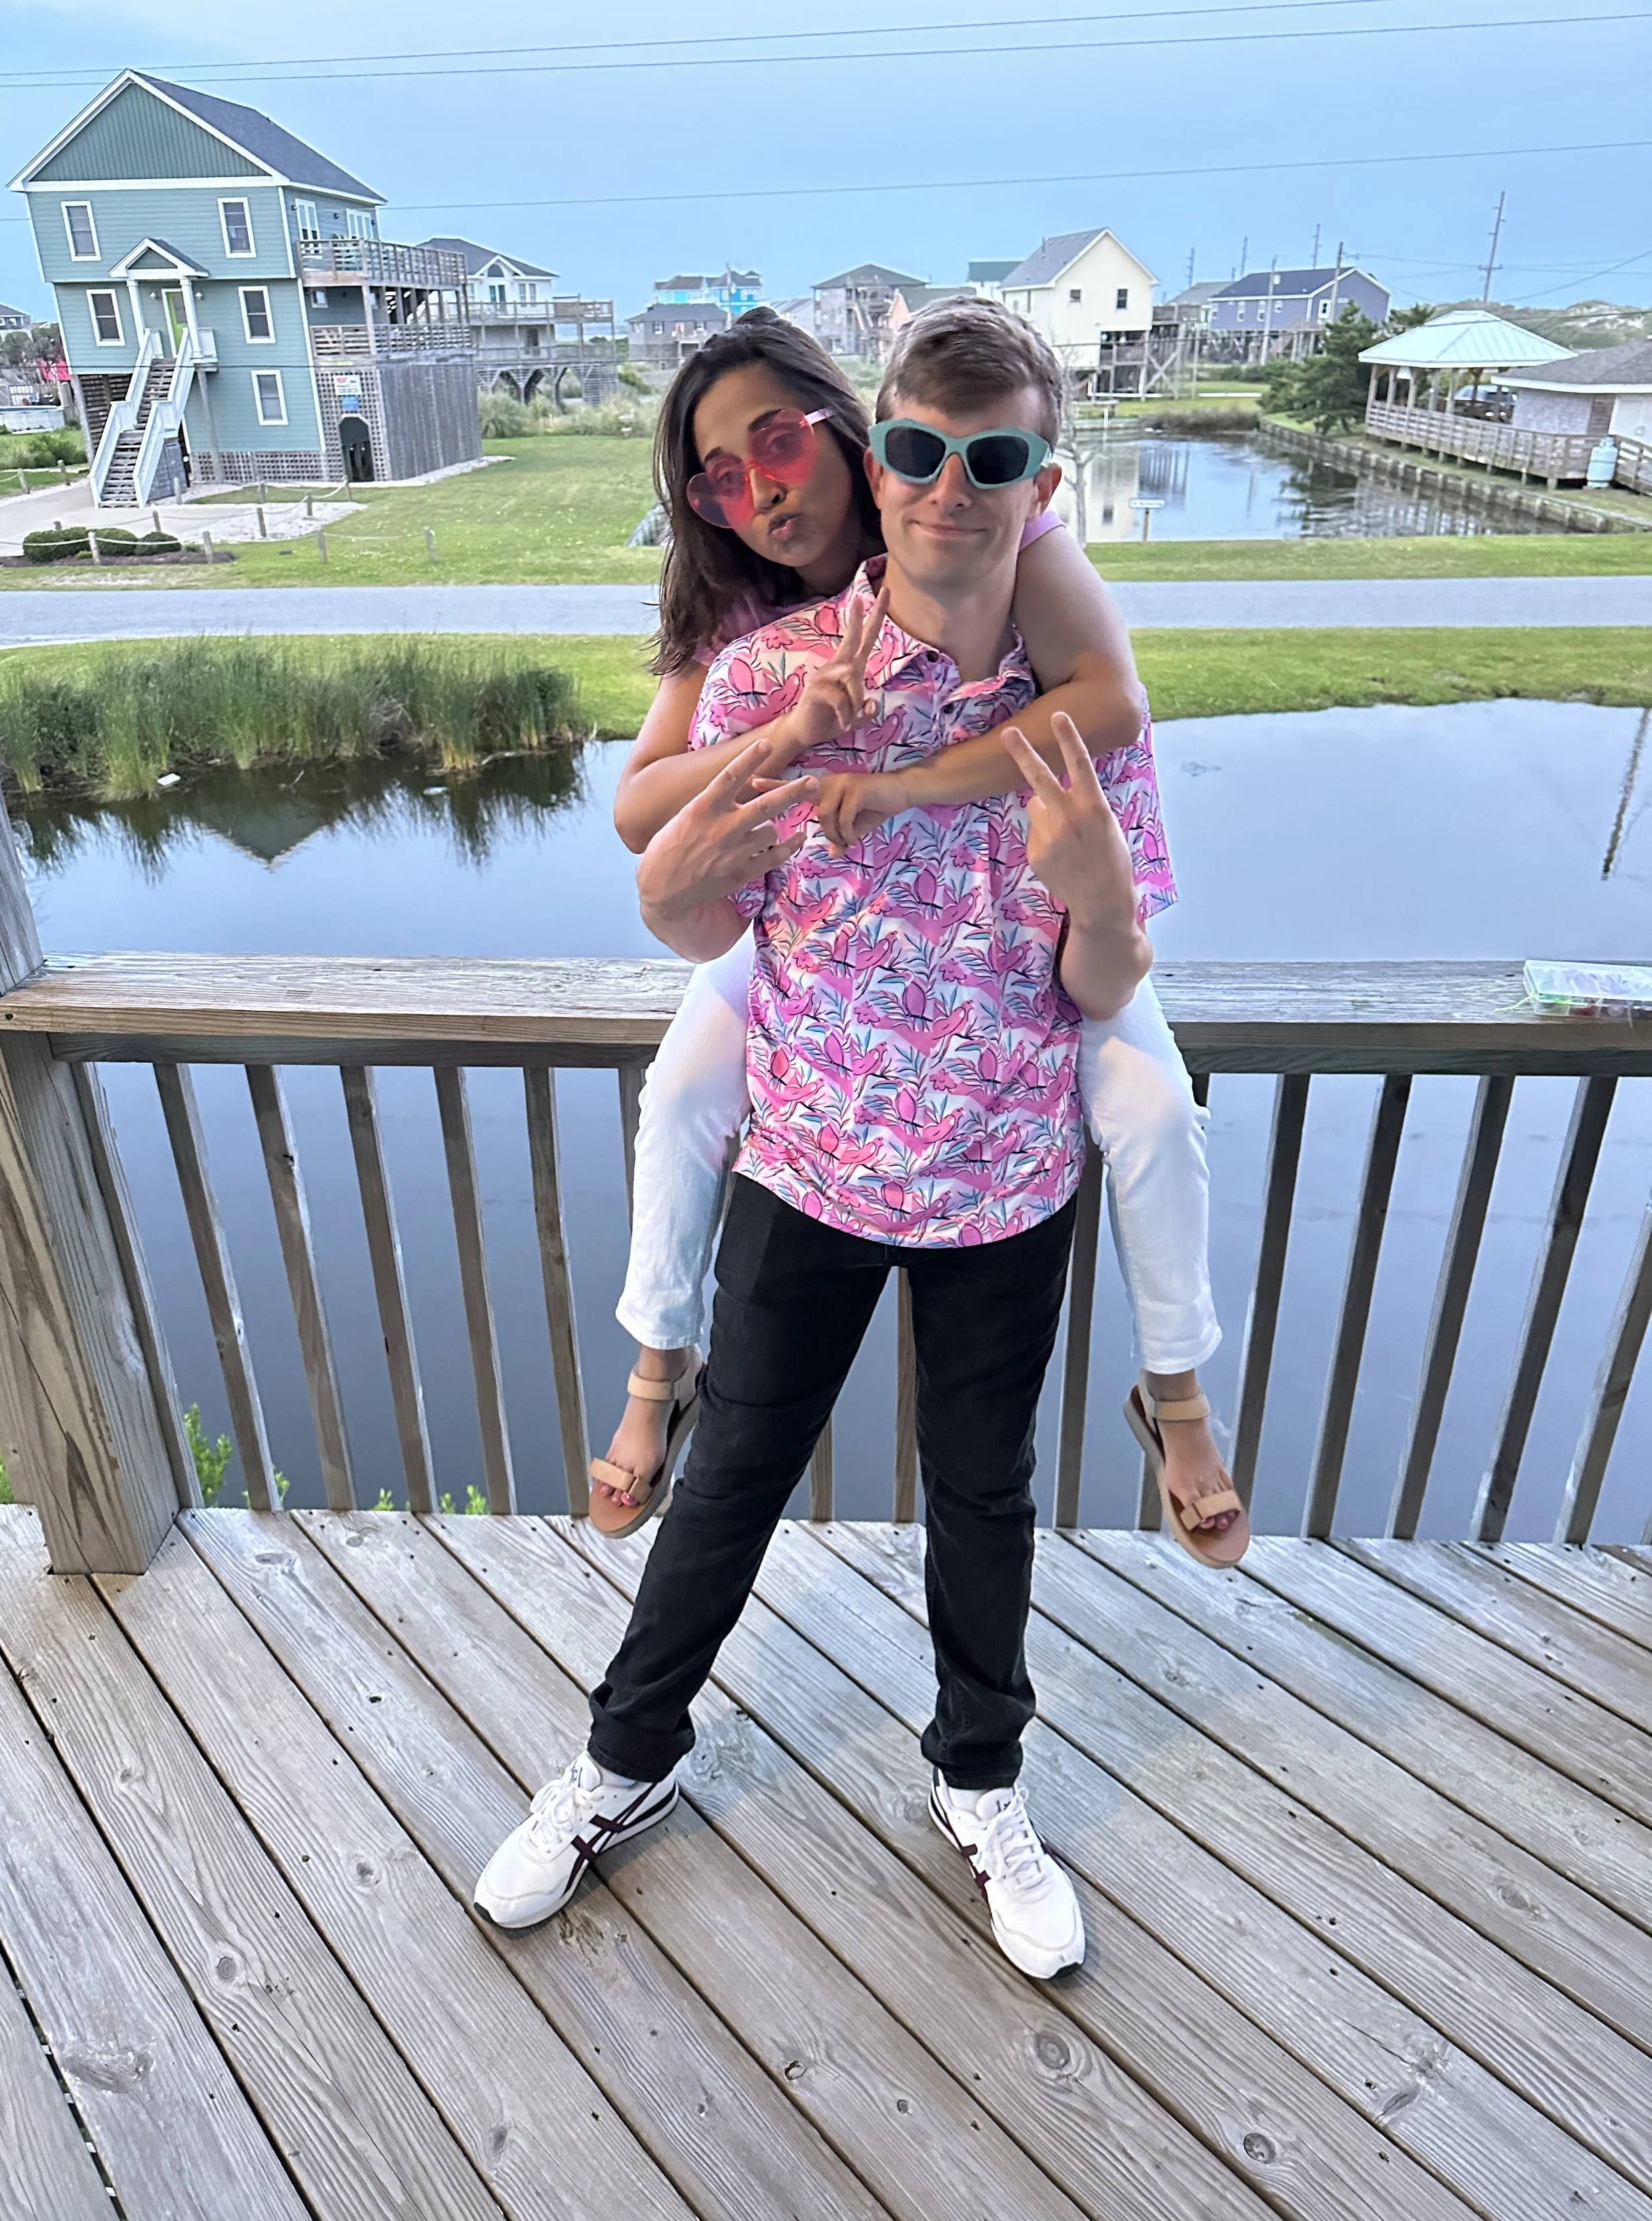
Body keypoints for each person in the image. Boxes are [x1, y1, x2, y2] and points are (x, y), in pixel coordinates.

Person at [474, 301, 1230, 1977]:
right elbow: (679, 916)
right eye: (915, 450)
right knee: (730, 1480)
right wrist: (780, 766)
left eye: (992, 460)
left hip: (1004, 1185)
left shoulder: (1076, 711)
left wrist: (1092, 885)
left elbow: (1103, 976)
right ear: (870, 460)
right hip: (806, 1173)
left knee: (984, 1496)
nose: (948, 487)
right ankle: (615, 1763)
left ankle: (983, 1781)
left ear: (1036, 485)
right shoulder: (758, 678)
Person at [589, 307, 1244, 1565]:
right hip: (804, 936)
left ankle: (1178, 1399)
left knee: (1158, 1116)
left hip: (1025, 928)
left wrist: (908, 780)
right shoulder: (748, 620)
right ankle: (658, 1365)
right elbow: (640, 814)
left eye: (775, 441)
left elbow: (1110, 700)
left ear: (845, 431)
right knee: (679, 1095)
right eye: (718, 477)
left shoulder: (995, 518)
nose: (759, 487)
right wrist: (790, 732)